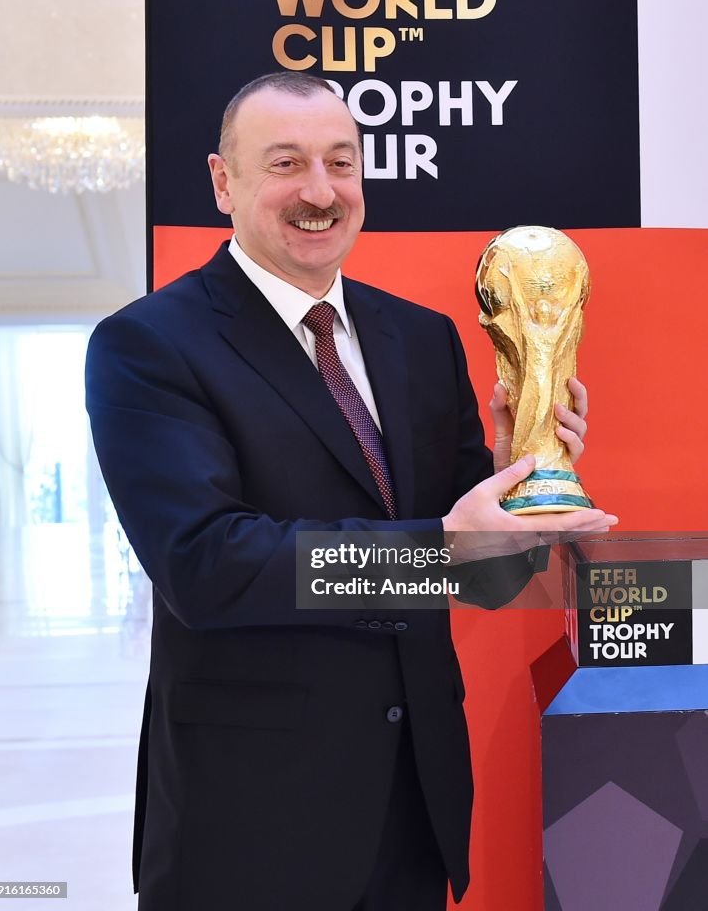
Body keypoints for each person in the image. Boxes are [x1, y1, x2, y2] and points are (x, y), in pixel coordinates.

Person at [85, 72, 616, 911]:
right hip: (251, 825)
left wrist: (515, 481)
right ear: (225, 181)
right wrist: (439, 546)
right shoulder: (148, 346)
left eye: (341, 161)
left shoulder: (422, 336)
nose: (320, 192)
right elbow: (208, 565)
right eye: (287, 164)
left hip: (413, 809)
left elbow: (476, 577)